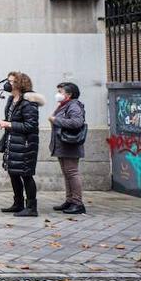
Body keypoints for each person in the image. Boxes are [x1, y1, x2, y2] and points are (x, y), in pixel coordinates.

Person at [0, 71, 44, 217]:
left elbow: (31, 126)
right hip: (13, 142)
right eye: (8, 80)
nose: (8, 84)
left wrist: (9, 124)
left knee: (26, 174)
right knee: (13, 173)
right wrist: (5, 124)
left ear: (20, 83)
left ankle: (31, 207)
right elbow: (12, 120)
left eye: (11, 81)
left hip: (25, 144)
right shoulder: (12, 99)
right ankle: (18, 204)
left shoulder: (28, 101)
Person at [49, 81, 88, 214]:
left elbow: (77, 122)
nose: (58, 94)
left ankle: (78, 203)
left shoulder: (74, 106)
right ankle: (70, 200)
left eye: (61, 92)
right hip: (63, 145)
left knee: (72, 173)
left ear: (69, 94)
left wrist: (55, 120)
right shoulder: (64, 105)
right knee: (67, 174)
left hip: (70, 145)